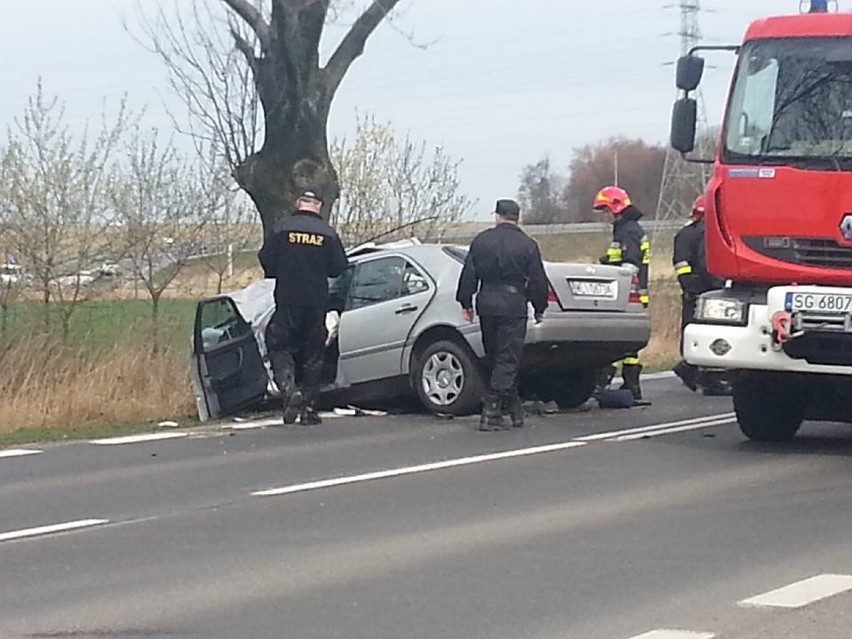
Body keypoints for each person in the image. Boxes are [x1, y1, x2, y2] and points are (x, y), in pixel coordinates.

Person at [455, 199, 548, 431]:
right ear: (517, 218)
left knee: (495, 356)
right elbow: (538, 280)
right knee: (508, 358)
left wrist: (466, 302)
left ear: (497, 216)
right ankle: (491, 410)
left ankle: (514, 408)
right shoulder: (528, 244)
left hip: (486, 301)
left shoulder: (481, 241)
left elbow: (468, 275)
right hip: (513, 303)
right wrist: (539, 307)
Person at [258, 189, 349, 425]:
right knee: (314, 354)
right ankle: (308, 407)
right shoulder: (328, 234)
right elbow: (338, 268)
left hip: (287, 300)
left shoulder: (280, 229)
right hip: (316, 303)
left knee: (279, 345)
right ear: (318, 205)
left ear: (298, 203)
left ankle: (289, 390)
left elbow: (267, 262)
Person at [593, 186, 652, 406]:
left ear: (616, 208)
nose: (604, 216)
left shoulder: (628, 230)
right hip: (631, 293)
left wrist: (609, 267)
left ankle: (614, 381)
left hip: (629, 293)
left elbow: (631, 265)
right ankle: (631, 385)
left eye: (605, 210)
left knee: (621, 339)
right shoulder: (625, 228)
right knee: (628, 343)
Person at [672, 194, 730, 395]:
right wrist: (721, 285)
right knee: (714, 333)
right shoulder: (707, 233)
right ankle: (704, 376)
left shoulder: (683, 234)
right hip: (707, 290)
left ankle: (694, 370)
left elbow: (681, 264)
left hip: (691, 290)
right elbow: (707, 264)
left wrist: (688, 286)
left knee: (692, 330)